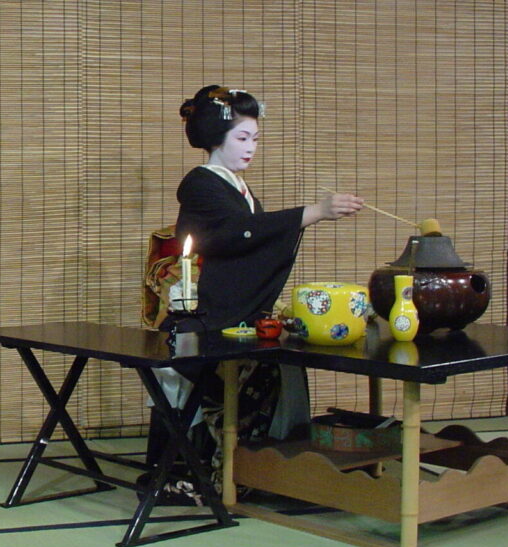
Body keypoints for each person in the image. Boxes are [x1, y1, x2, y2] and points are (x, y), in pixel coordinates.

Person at [147, 85, 363, 496]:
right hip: (207, 310)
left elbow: (254, 239)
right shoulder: (200, 183)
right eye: (242, 138)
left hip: (235, 308)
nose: (250, 148)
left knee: (279, 360)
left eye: (255, 139)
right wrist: (313, 212)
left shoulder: (239, 188)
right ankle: (200, 474)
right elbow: (235, 237)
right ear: (217, 138)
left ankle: (261, 470)